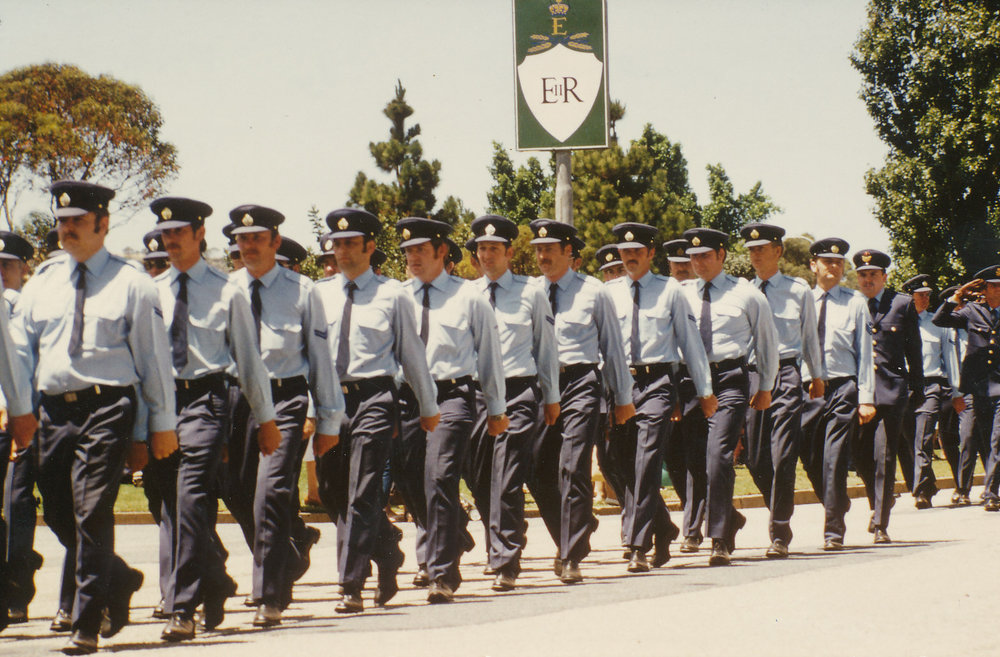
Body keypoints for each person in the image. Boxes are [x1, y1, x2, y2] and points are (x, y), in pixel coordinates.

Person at [11, 180, 176, 654]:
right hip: (52, 411)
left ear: (102, 223)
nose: (67, 229)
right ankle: (118, 577)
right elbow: (21, 353)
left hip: (107, 407)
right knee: (58, 510)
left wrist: (158, 426)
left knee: (91, 509)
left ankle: (85, 622)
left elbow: (153, 362)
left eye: (78, 221)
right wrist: (18, 407)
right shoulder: (42, 284)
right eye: (62, 221)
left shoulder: (133, 284)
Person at [147, 197, 279, 641]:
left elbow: (249, 361)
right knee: (167, 503)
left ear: (199, 234)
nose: (171, 240)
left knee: (191, 499)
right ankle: (216, 578)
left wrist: (266, 418)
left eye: (179, 232)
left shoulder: (227, 290)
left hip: (206, 400)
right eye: (165, 233)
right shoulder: (151, 292)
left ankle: (181, 607)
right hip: (162, 404)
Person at [314, 207, 438, 613]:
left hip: (375, 398)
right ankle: (387, 550)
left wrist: (428, 405)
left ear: (370, 247)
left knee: (363, 490)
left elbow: (411, 355)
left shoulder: (392, 294)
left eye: (352, 243)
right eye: (338, 244)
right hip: (331, 400)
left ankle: (350, 584)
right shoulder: (318, 294)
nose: (343, 251)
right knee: (332, 491)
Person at [225, 204, 343, 627]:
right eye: (242, 239)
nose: (249, 246)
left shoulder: (302, 290)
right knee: (239, 493)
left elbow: (320, 358)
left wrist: (326, 417)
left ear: (275, 241)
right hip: (238, 400)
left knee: (271, 492)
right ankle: (287, 558)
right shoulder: (225, 289)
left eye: (258, 238)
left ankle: (268, 595)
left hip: (284, 398)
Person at [393, 216, 507, 603]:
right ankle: (453, 530)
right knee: (411, 481)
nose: (413, 258)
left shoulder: (469, 297)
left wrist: (496, 409)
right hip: (407, 397)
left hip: (451, 396)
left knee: (440, 476)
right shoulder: (396, 297)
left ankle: (441, 572)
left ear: (442, 251)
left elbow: (489, 355)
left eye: (421, 250)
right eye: (408, 251)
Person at [529, 218, 634, 583]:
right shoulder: (530, 292)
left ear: (568, 251)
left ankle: (571, 554)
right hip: (542, 385)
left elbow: (613, 348)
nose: (542, 256)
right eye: (538, 250)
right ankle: (573, 530)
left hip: (580, 382)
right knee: (536, 468)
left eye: (549, 250)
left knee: (573, 466)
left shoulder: (593, 291)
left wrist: (623, 397)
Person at [606, 222, 714, 573]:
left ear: (650, 253)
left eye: (637, 251)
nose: (630, 257)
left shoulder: (670, 291)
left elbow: (690, 343)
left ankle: (638, 545)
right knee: (620, 463)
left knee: (647, 461)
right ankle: (664, 525)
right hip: (620, 385)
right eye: (625, 252)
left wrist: (704, 390)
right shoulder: (608, 293)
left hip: (658, 383)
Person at [464, 215, 558, 591]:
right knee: (479, 478)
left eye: (494, 248)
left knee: (506, 476)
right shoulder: (466, 295)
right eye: (481, 249)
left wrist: (551, 397)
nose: (487, 255)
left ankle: (506, 559)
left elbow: (545, 349)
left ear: (510, 253)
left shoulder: (530, 293)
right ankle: (501, 539)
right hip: (476, 394)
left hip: (518, 392)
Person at [679, 227, 778, 566]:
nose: (698, 263)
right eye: (693, 257)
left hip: (729, 380)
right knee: (695, 461)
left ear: (721, 255)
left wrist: (765, 387)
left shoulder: (747, 294)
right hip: (691, 382)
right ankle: (730, 517)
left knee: (719, 456)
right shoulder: (681, 294)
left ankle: (719, 538)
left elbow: (766, 343)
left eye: (705, 256)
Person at [739, 223, 825, 558]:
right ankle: (777, 507)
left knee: (783, 454)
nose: (755, 255)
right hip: (753, 375)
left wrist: (816, 375)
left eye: (762, 248)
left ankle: (779, 530)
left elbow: (809, 336)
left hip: (786, 374)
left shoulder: (797, 290)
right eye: (751, 250)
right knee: (755, 457)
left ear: (778, 251)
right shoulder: (743, 292)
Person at [800, 238, 875, 550]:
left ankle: (833, 531)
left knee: (835, 459)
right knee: (809, 457)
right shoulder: (801, 300)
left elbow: (865, 353)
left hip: (843, 387)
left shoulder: (855, 302)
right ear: (813, 265)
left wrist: (866, 397)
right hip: (808, 390)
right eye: (826, 261)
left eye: (838, 262)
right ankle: (837, 501)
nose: (833, 266)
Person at [851, 249, 923, 543]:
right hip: (858, 394)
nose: (868, 280)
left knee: (884, 455)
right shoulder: (851, 303)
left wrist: (916, 389)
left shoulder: (902, 304)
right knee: (859, 456)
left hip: (891, 391)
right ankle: (880, 500)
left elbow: (914, 349)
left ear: (884, 276)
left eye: (873, 274)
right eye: (863, 275)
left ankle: (881, 523)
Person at [0, 231, 44, 626]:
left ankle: (17, 582)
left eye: (6, 266)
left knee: (16, 500)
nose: (1, 273)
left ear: (24, 268)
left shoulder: (30, 308)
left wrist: (18, 410)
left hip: (28, 416)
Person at [932, 266, 1000, 511]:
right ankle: (989, 488)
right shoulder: (972, 311)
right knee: (985, 438)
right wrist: (957, 296)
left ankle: (991, 492)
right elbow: (940, 320)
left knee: (998, 439)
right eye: (993, 286)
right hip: (979, 386)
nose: (998, 290)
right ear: (984, 289)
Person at [900, 274, 961, 509]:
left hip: (931, 385)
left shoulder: (937, 323)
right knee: (910, 439)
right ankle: (927, 484)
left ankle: (921, 491)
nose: (925, 299)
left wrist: (956, 391)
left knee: (923, 437)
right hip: (904, 386)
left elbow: (950, 359)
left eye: (927, 295)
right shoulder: (899, 322)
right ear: (910, 297)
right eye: (920, 295)